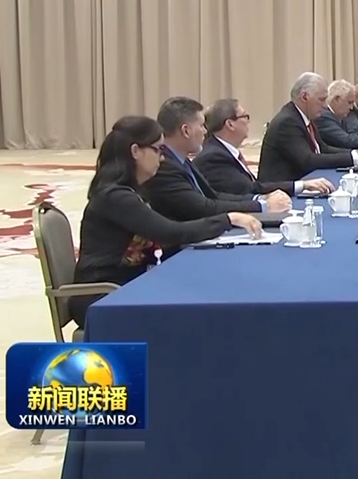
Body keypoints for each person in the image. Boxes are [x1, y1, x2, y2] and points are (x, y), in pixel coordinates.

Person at [70, 116, 261, 329]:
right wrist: (228, 219)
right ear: (135, 151)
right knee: (199, 310)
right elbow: (169, 232)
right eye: (158, 149)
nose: (162, 158)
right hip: (104, 296)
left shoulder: (130, 191)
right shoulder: (115, 196)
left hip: (128, 285)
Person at [142, 97, 292, 225]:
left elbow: (214, 196)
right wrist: (262, 206)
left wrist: (260, 199)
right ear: (186, 131)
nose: (205, 131)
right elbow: (203, 208)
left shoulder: (181, 159)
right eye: (201, 126)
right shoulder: (163, 165)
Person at [193, 98, 335, 197]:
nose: (248, 122)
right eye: (245, 116)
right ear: (230, 124)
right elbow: (249, 189)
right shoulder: (214, 157)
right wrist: (301, 185)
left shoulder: (222, 150)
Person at [257, 72, 358, 183]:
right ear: (304, 97)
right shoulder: (287, 122)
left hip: (305, 181)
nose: (324, 105)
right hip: (281, 190)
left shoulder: (304, 116)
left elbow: (322, 148)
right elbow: (308, 160)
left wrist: (356, 153)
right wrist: (354, 157)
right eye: (321, 100)